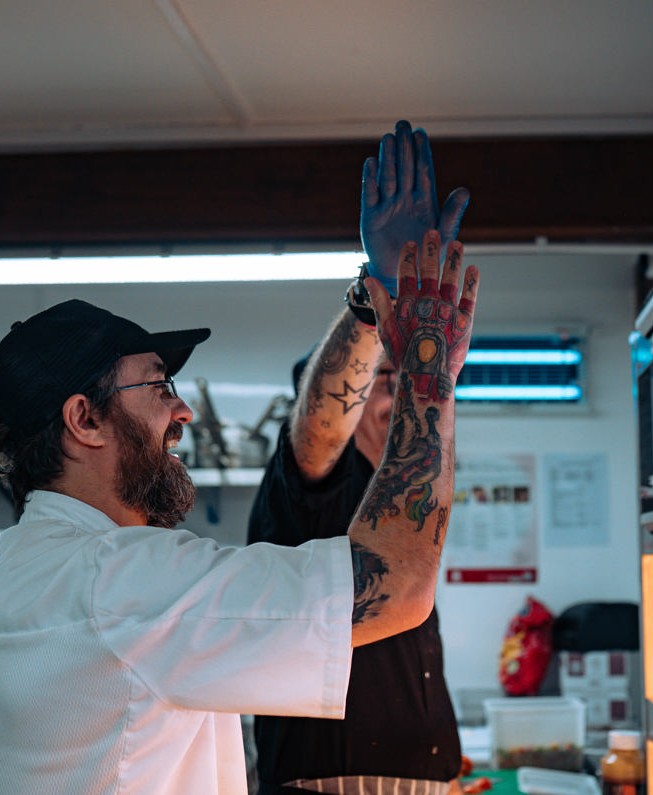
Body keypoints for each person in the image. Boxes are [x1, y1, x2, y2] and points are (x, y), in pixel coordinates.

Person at [0, 228, 479, 790]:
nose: (185, 410)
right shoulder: (119, 577)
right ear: (85, 420)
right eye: (159, 385)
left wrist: (371, 302)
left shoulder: (17, 574)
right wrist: (428, 367)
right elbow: (399, 585)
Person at [248, 119, 470, 795]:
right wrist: (378, 296)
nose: (394, 392)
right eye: (379, 381)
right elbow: (321, 423)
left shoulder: (398, 494)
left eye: (397, 378)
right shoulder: (311, 483)